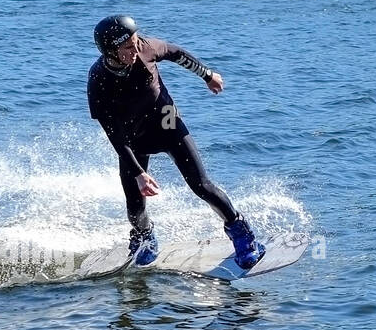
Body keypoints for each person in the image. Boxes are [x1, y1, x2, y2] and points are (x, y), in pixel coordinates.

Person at [86, 14, 264, 269]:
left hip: (168, 126)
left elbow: (176, 53)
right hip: (132, 140)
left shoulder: (145, 48)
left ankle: (241, 233)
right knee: (135, 208)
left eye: (136, 42)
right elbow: (112, 132)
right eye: (128, 47)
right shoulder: (99, 80)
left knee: (202, 185)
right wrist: (138, 173)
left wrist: (206, 74)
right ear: (111, 50)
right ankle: (144, 236)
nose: (135, 49)